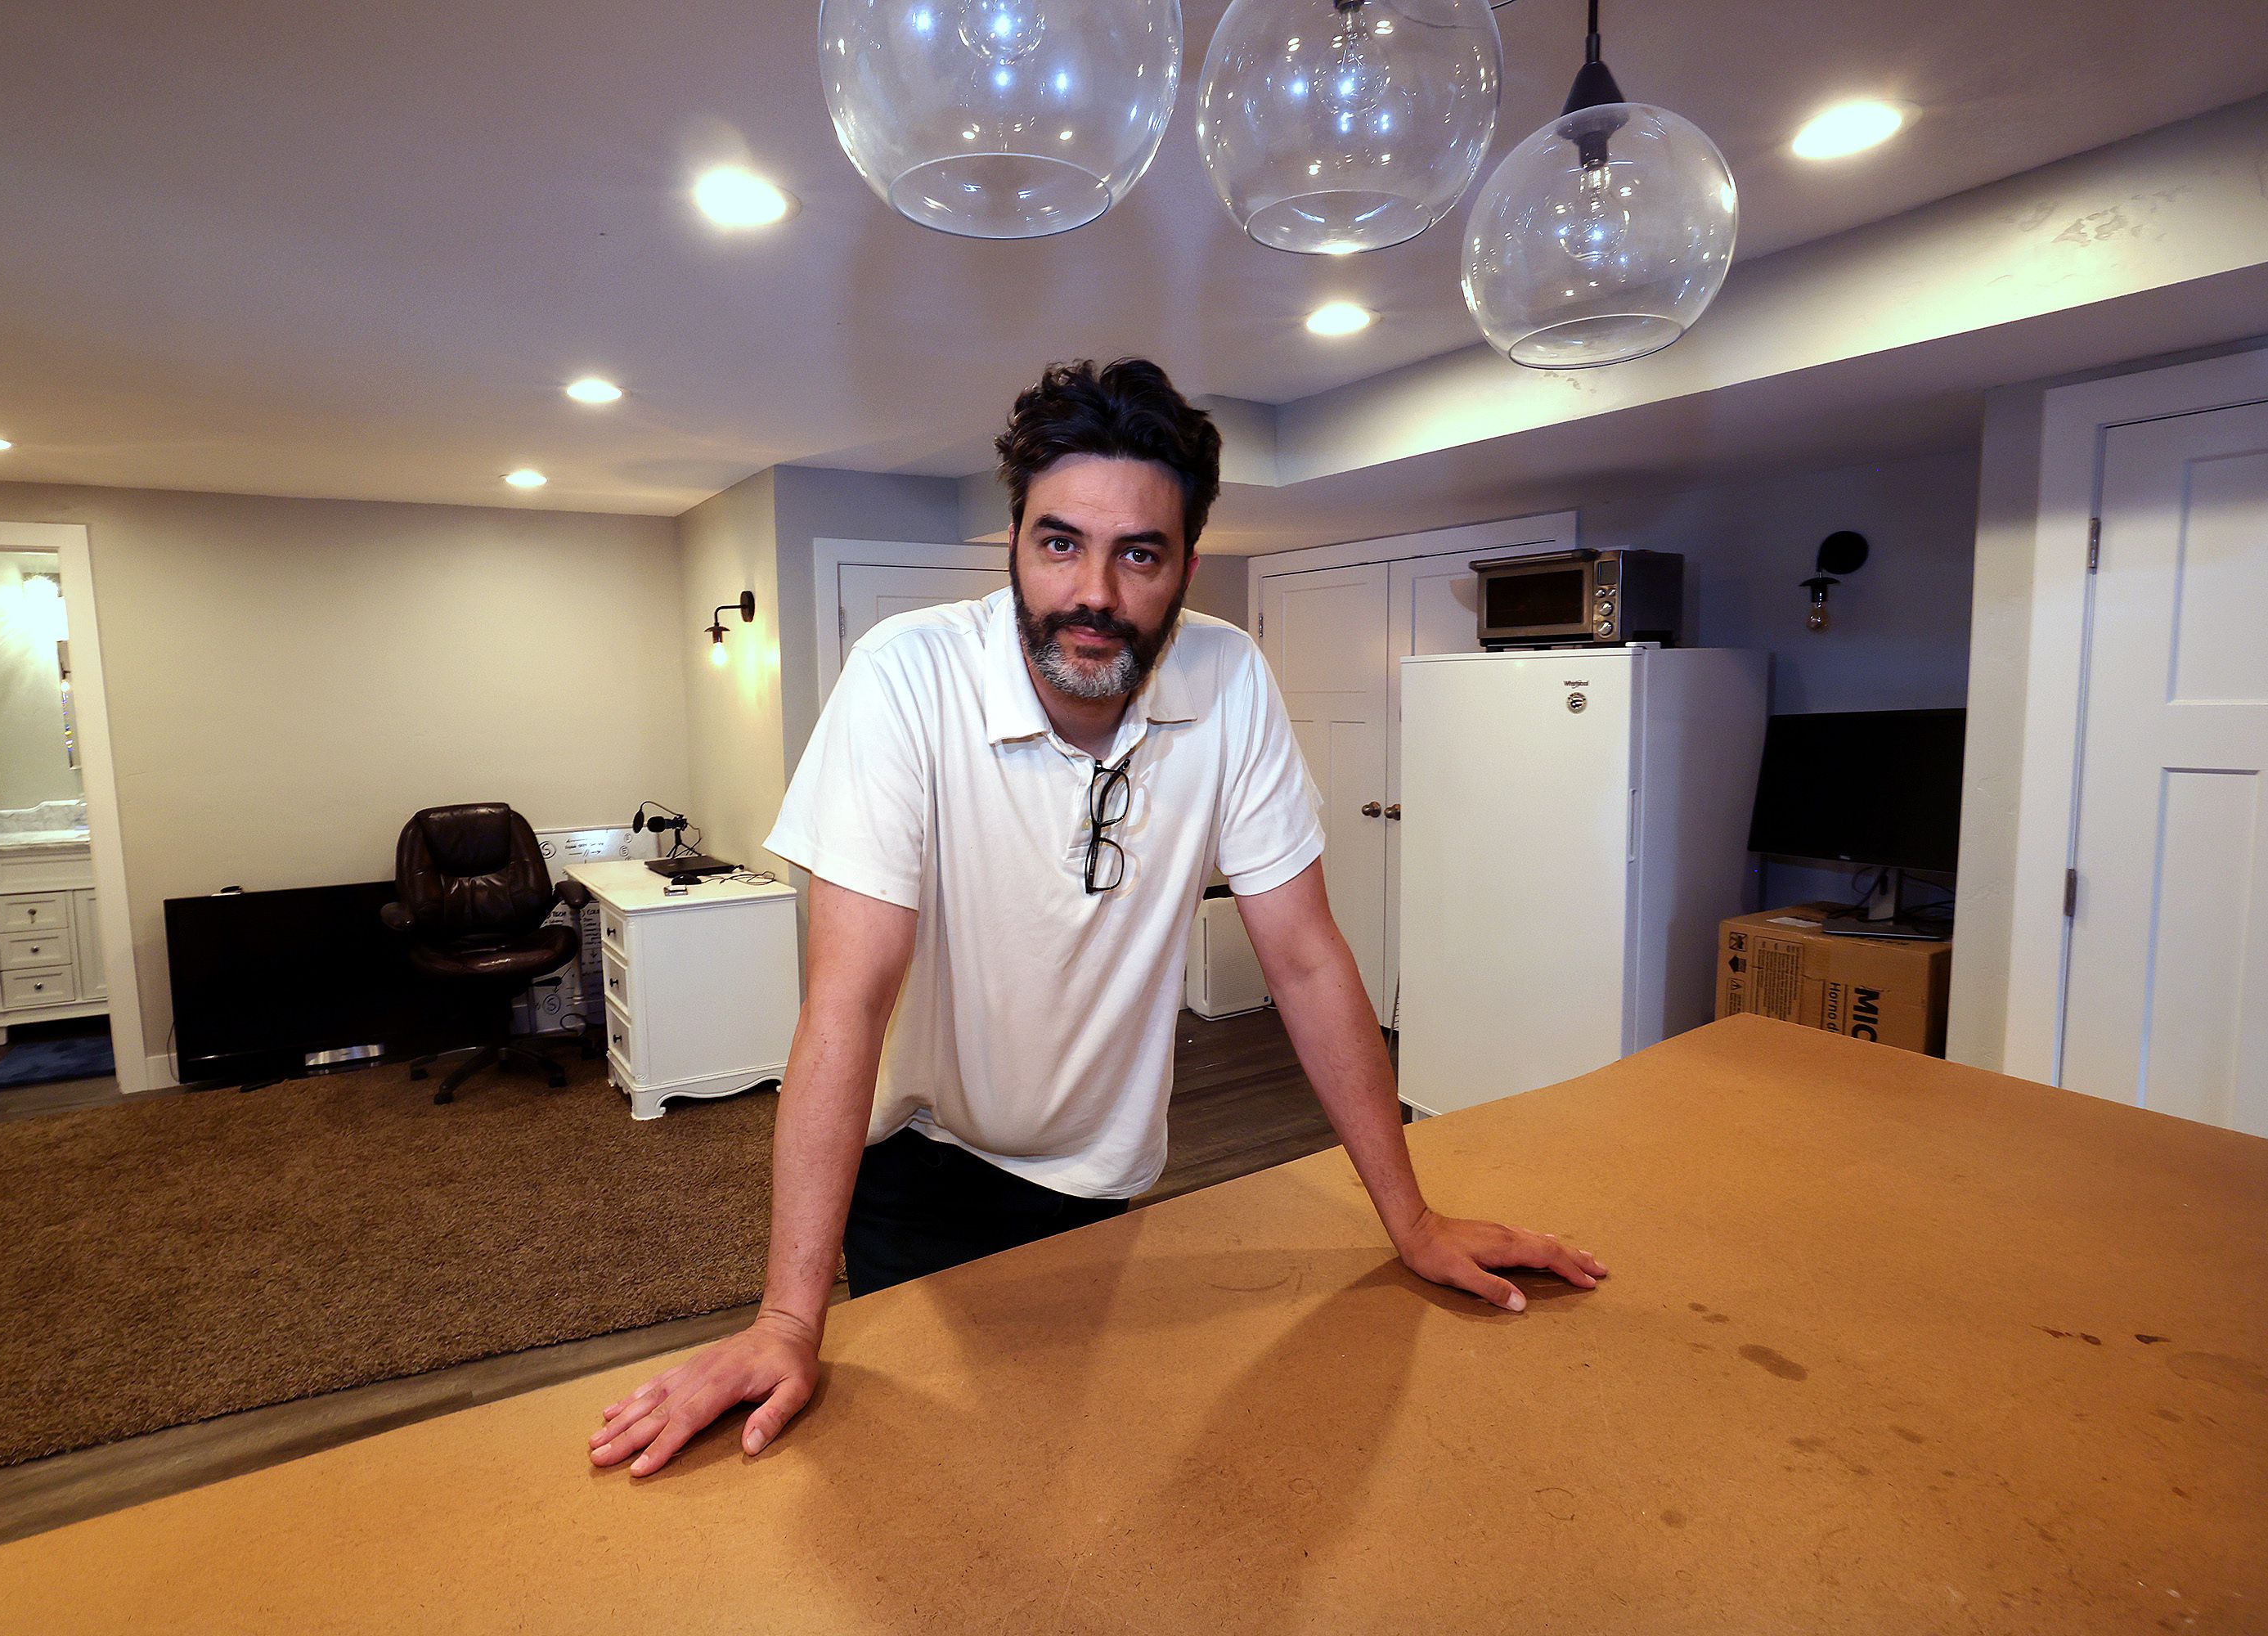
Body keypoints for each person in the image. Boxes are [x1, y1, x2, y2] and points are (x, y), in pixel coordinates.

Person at [590, 358, 1606, 1478]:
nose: (1096, 595)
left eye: (1139, 554)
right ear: (1014, 541)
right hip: (924, 1172)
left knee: (1089, 1476)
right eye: (1060, 543)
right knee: (937, 1493)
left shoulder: (1231, 677)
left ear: (1184, 566)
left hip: (1118, 1180)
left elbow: (1308, 962)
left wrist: (1411, 1219)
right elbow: (850, 995)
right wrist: (786, 1320)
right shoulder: (905, 677)